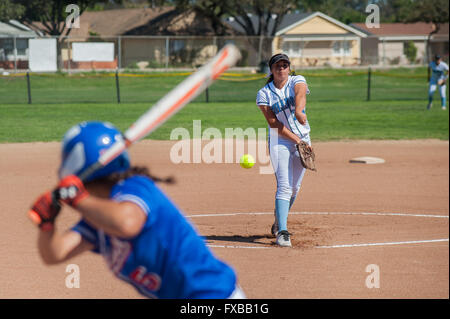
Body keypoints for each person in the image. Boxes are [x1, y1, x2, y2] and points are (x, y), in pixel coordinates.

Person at [28, 121, 245, 299]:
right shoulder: (100, 219)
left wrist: (77, 198)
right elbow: (54, 254)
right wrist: (46, 224)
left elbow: (127, 223)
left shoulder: (136, 187)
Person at [256, 53, 312, 247]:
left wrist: (298, 110)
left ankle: (278, 220)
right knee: (285, 186)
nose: (281, 68)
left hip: (303, 139)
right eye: (277, 66)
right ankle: (283, 232)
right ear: (271, 70)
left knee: (295, 187)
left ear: (289, 68)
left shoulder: (297, 80)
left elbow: (300, 94)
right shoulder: (264, 94)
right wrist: (297, 140)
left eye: (285, 65)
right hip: (280, 141)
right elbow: (273, 123)